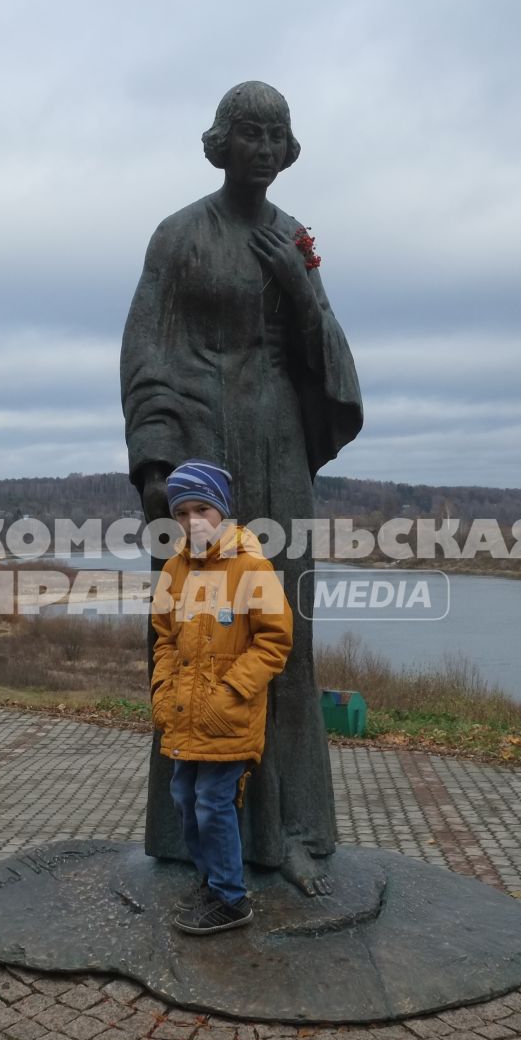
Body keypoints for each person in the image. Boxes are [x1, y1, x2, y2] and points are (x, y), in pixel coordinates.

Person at [120, 81, 362, 895]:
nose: (262, 147)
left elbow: (329, 360)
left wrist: (297, 289)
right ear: (221, 141)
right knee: (194, 635)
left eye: (276, 135)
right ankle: (188, 831)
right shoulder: (179, 235)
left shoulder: (293, 241)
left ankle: (289, 831)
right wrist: (155, 465)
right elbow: (146, 348)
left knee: (279, 632)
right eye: (248, 133)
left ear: (288, 149)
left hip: (279, 445)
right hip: (197, 458)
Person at [150, 460, 294, 935]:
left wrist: (232, 691)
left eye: (203, 509)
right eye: (183, 512)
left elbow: (274, 642)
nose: (193, 521)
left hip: (227, 716)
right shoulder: (174, 569)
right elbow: (164, 639)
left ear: (223, 512)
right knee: (184, 801)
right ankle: (212, 882)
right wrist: (161, 690)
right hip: (182, 713)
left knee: (213, 803)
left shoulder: (253, 567)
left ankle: (232, 900)